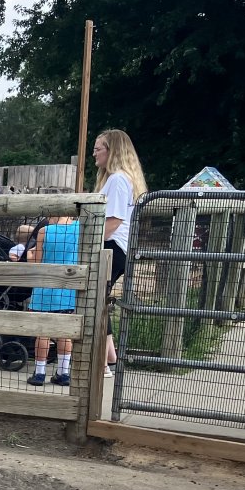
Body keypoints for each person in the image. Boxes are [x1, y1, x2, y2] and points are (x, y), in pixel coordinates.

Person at [94, 129, 148, 376]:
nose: (94, 152)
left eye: (99, 148)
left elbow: (113, 220)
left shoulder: (116, 179)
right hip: (120, 249)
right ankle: (111, 356)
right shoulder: (124, 179)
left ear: (112, 151)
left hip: (111, 247)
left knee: (96, 302)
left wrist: (90, 243)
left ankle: (101, 364)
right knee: (101, 300)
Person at [24, 216, 80, 386]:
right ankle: (63, 373)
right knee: (65, 334)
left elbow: (38, 262)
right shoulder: (79, 228)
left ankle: (40, 373)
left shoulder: (44, 231)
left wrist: (29, 255)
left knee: (43, 332)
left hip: (45, 287)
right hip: (68, 287)